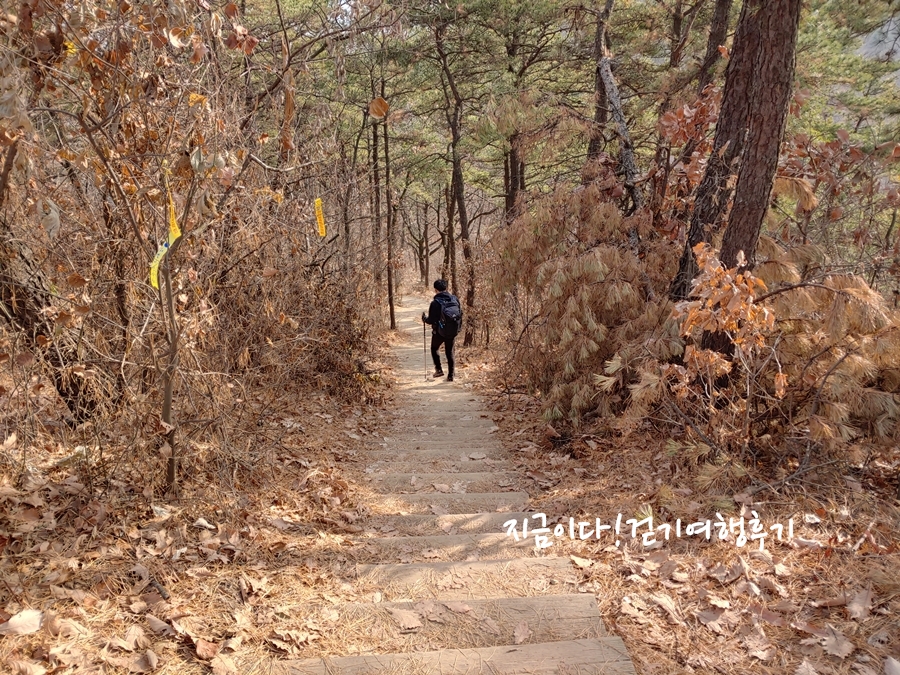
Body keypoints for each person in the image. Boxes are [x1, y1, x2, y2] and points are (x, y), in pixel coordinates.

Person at [422, 279, 461, 382]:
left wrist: (425, 319)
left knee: (434, 348)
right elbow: (460, 314)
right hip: (452, 330)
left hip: (439, 331)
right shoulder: (454, 299)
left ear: (435, 290)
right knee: (449, 352)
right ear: (446, 288)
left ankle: (439, 370)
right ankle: (451, 375)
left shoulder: (435, 303)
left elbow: (431, 320)